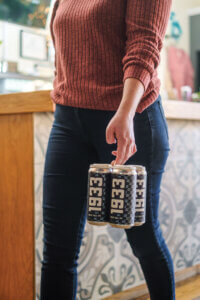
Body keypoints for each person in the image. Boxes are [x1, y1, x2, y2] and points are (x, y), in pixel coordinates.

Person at [40, 0, 175, 299]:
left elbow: (145, 43)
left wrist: (126, 111)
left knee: (144, 239)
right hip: (69, 121)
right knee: (57, 250)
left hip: (130, 117)